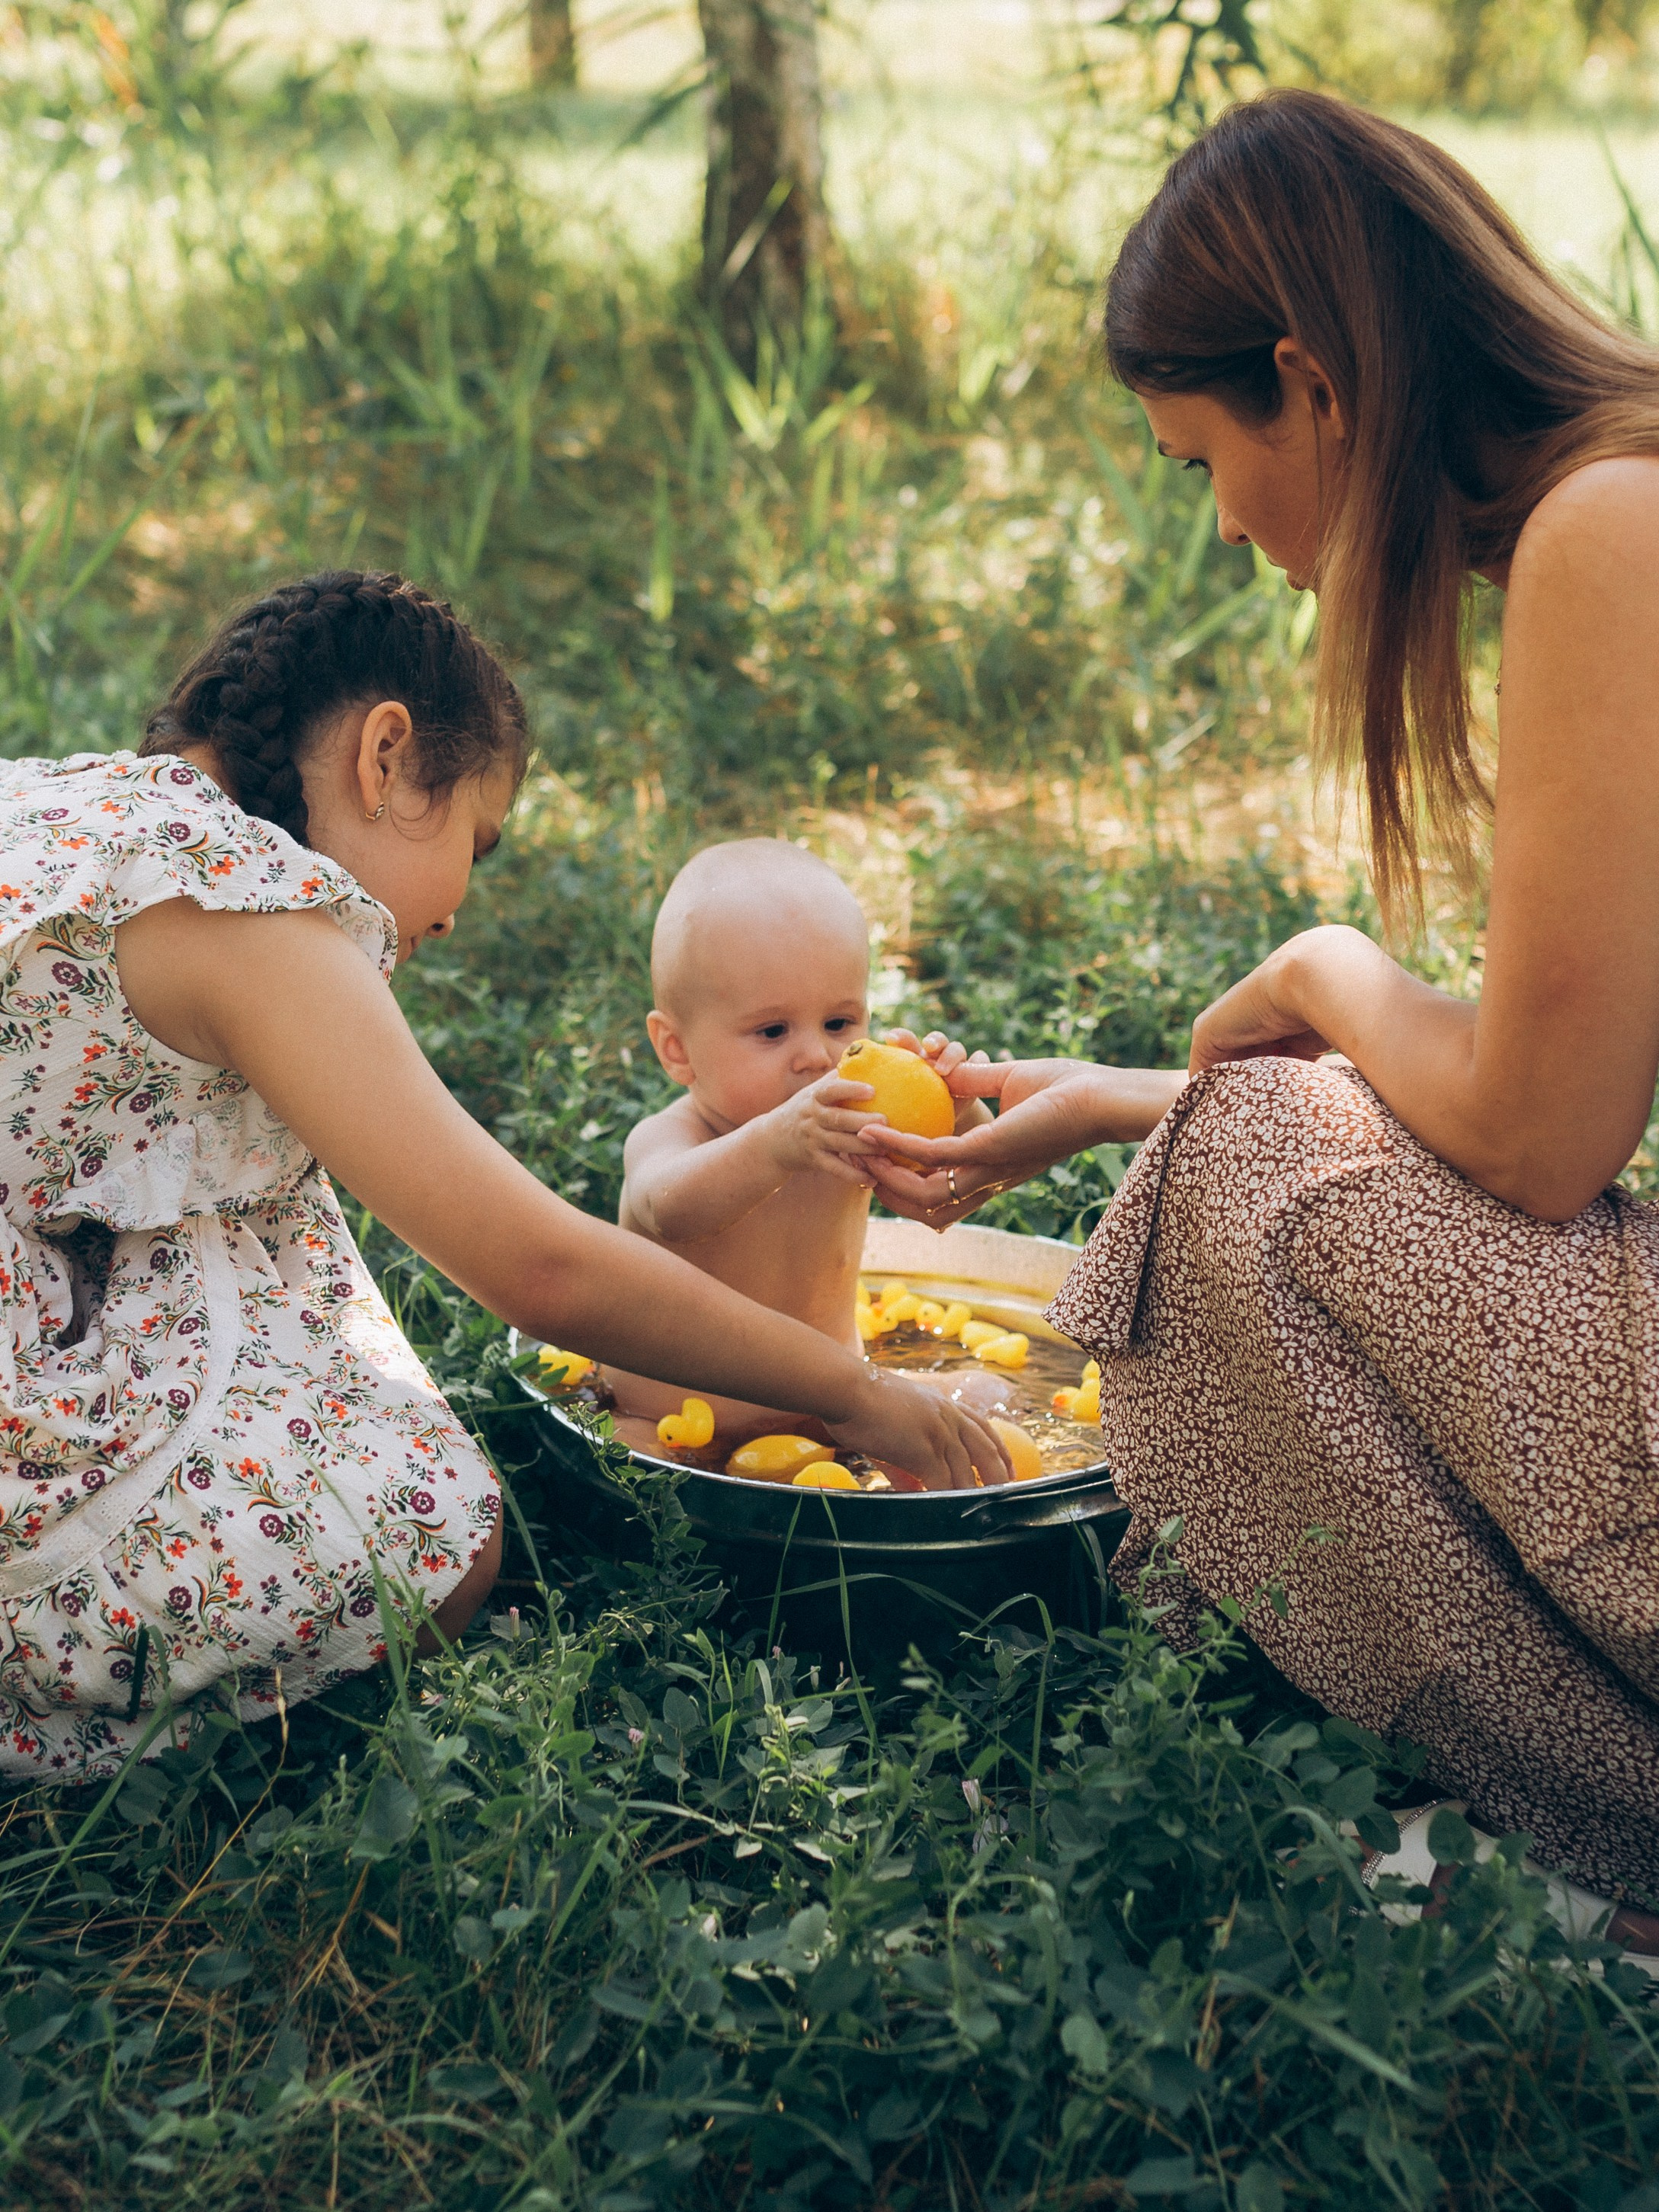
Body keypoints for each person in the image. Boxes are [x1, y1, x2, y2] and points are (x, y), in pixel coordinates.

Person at [866, 91, 1659, 1909]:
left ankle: (1612, 1846)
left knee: (1243, 1175)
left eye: (1193, 460)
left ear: (1310, 381)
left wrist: (1317, 971)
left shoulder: (1613, 524)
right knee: (1235, 1142)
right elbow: (1543, 1093)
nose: (1220, 527)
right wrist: (1125, 1093)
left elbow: (1536, 1137)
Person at [0, 571, 1010, 1778]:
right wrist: (851, 1392)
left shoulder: (66, 800)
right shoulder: (243, 908)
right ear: (387, 754)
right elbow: (537, 1264)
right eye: (476, 838)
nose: (461, 908)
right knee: (442, 1535)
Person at [606, 838, 1006, 1452]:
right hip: (670, 1421)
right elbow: (669, 1207)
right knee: (623, 1459)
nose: (816, 1056)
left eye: (839, 1023)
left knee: (985, 1400)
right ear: (676, 1049)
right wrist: (775, 1143)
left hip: (833, 1413)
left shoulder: (850, 1133)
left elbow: (954, 1192)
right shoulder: (674, 1136)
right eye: (772, 1030)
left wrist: (957, 1110)